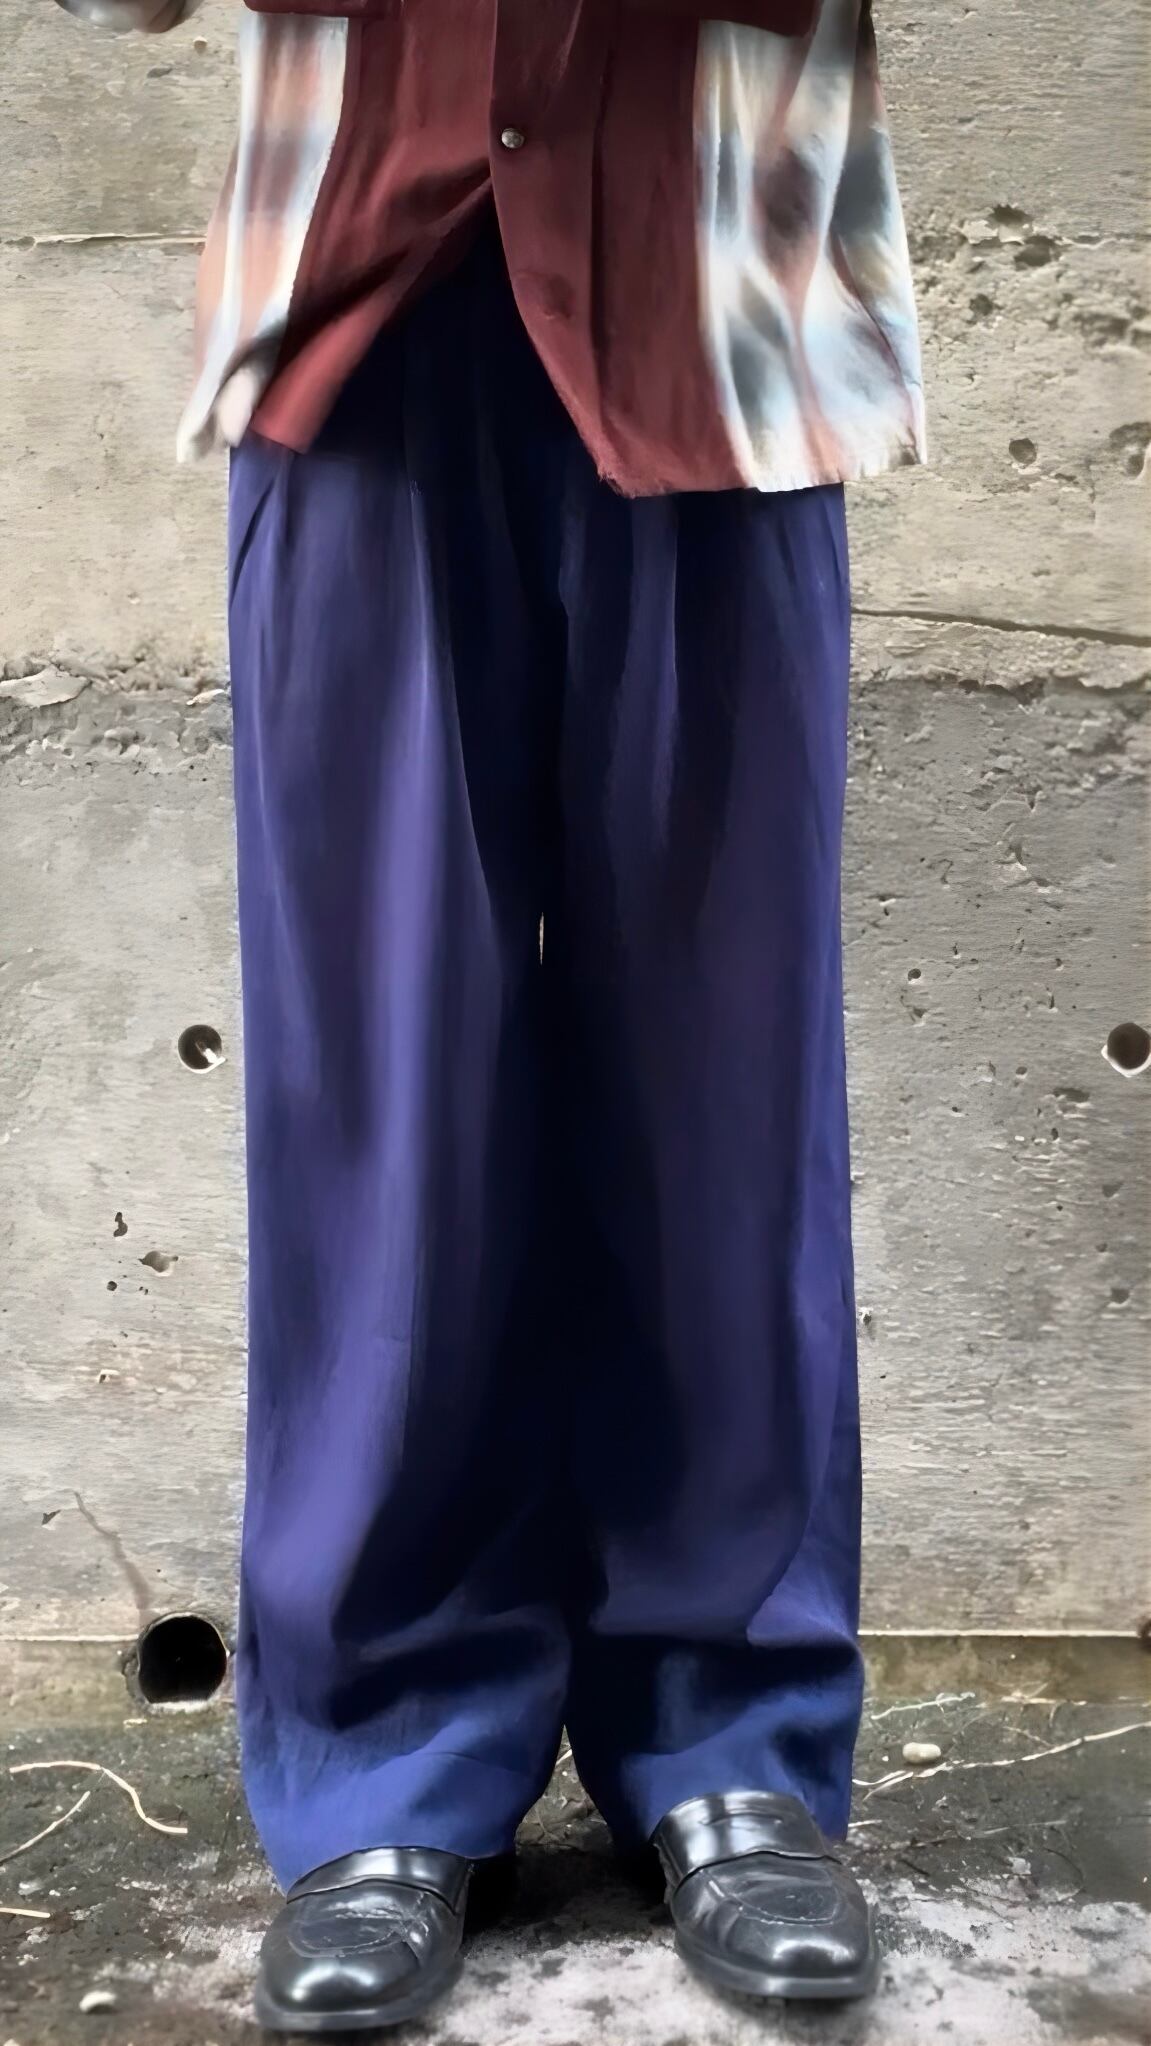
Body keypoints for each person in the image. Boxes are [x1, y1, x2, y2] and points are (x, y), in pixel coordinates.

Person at [60, 0, 925, 2030]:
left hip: (720, 294)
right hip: (363, 311)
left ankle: (729, 1731)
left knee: (726, 1094)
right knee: (380, 1095)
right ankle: (386, 1751)